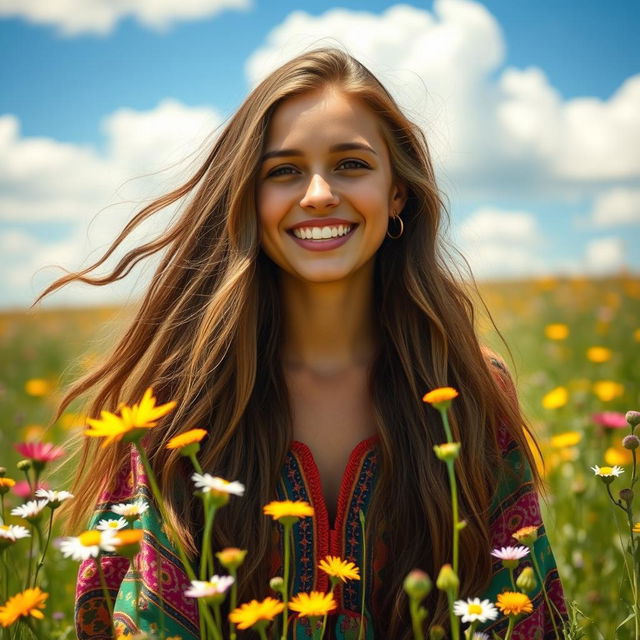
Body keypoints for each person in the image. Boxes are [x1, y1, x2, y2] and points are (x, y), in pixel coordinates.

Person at [43, 48, 566, 639]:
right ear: (247, 197)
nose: (318, 193)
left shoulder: (469, 387)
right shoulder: (175, 400)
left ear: (397, 194)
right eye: (283, 171)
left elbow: (524, 610)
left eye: (351, 164)